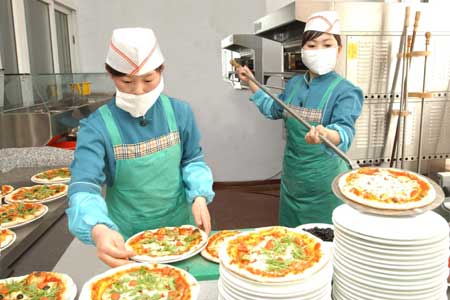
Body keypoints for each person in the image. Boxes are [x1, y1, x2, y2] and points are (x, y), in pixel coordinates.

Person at [66, 28, 215, 267]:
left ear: (161, 71)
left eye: (148, 80)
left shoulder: (180, 112)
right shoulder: (96, 127)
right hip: (127, 238)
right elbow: (84, 185)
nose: (138, 91)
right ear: (111, 75)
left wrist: (199, 195)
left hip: (182, 231)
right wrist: (98, 228)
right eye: (126, 82)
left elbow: (192, 160)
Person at [236, 11, 363, 227]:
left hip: (324, 187)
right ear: (302, 50)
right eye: (312, 46)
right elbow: (274, 108)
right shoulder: (295, 84)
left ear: (339, 49)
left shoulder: (347, 91)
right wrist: (251, 82)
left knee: (322, 244)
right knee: (291, 243)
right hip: (292, 182)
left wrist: (326, 134)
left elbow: (345, 131)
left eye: (326, 44)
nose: (318, 51)